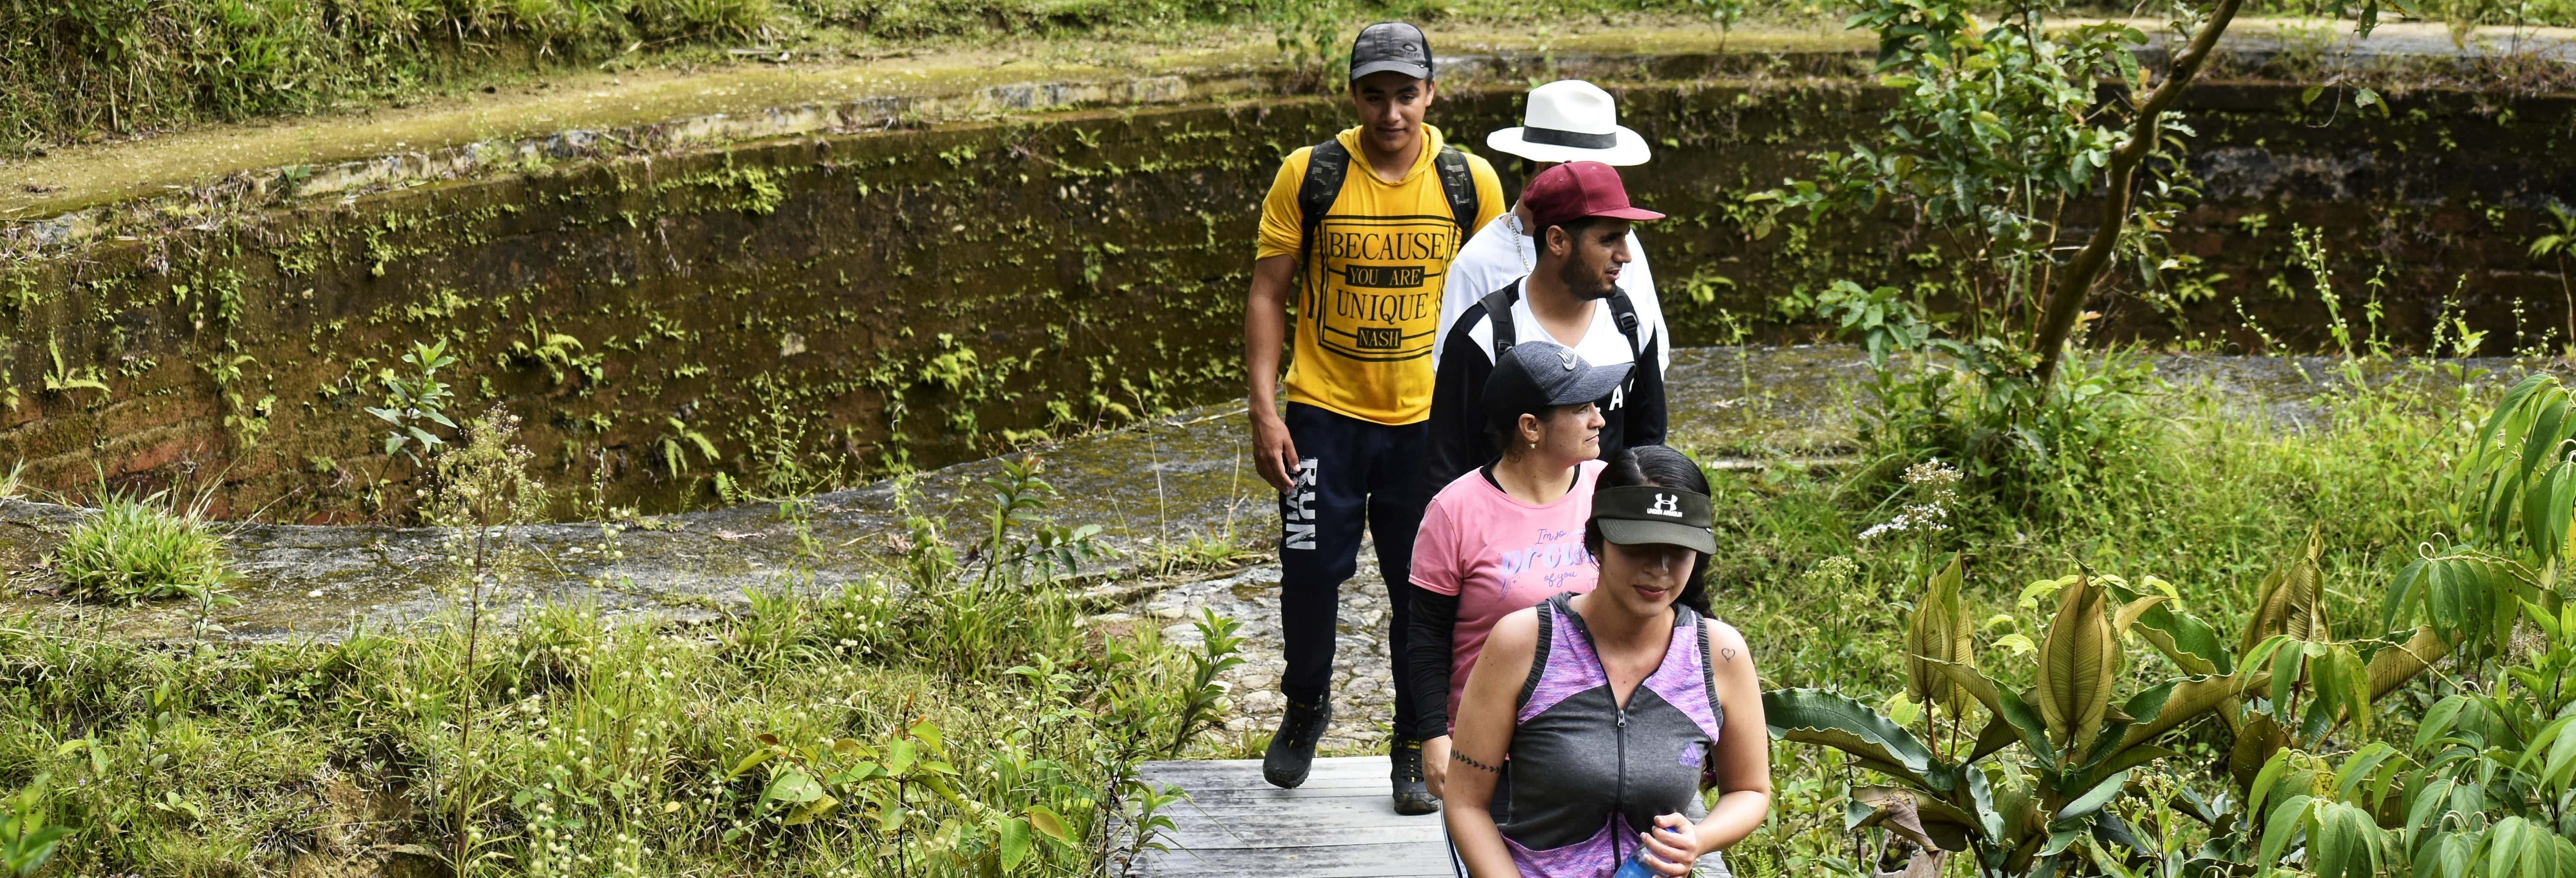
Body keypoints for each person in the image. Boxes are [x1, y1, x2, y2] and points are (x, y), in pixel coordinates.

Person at [1242, 20, 1508, 813]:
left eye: (1406, 94)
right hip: (1323, 413)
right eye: (1374, 95)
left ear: (1431, 93)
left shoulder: (1470, 182)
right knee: (1310, 571)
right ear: (1353, 95)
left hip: (1429, 426)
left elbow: (1497, 304)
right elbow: (1268, 290)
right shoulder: (1311, 174)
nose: (1391, 113)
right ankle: (1307, 703)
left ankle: (1412, 741)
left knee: (1422, 587)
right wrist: (1265, 411)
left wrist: (1493, 420)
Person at [1443, 446, 1772, 877]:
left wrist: (1700, 838)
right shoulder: (1523, 642)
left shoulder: (1720, 653)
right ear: (1596, 539)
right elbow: (1466, 802)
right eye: (1640, 546)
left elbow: (1749, 789)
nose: (1660, 568)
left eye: (1679, 550)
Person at [1405, 340, 1625, 805]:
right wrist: (1430, 736)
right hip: (1492, 751)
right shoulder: (1454, 510)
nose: (1599, 419)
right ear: (1530, 426)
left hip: (1599, 742)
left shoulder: (1610, 488)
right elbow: (1426, 634)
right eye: (1582, 408)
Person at [1423, 160, 1668, 501]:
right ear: (1557, 240)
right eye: (1609, 239)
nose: (1625, 255)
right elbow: (1446, 468)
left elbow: (1649, 447)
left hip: (1603, 537)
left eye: (1625, 238)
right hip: (1505, 542)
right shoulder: (1484, 335)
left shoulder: (1632, 322)